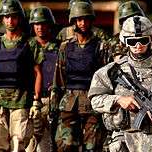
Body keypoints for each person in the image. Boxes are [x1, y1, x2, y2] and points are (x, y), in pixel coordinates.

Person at [88, 15, 152, 152]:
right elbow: (95, 99)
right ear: (124, 41)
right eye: (132, 41)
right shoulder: (111, 70)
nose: (138, 46)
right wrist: (118, 100)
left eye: (143, 40)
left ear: (151, 39)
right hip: (122, 139)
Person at [50, 1, 107, 151]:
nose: (83, 23)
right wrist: (54, 106)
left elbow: (106, 80)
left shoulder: (101, 46)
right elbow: (58, 79)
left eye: (86, 19)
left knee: (92, 147)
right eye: (79, 19)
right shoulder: (65, 46)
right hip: (68, 104)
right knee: (66, 146)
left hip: (92, 103)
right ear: (73, 21)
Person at [0, 0, 43, 151]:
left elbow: (38, 73)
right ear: (2, 19)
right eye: (6, 17)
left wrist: (36, 101)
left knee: (18, 146)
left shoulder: (30, 43)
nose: (10, 20)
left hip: (21, 103)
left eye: (13, 17)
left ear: (19, 18)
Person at [26, 6, 60, 152]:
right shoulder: (25, 46)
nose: (39, 27)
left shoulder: (60, 47)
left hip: (52, 100)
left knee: (47, 145)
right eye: (36, 24)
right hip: (29, 101)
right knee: (27, 143)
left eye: (43, 23)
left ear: (49, 25)